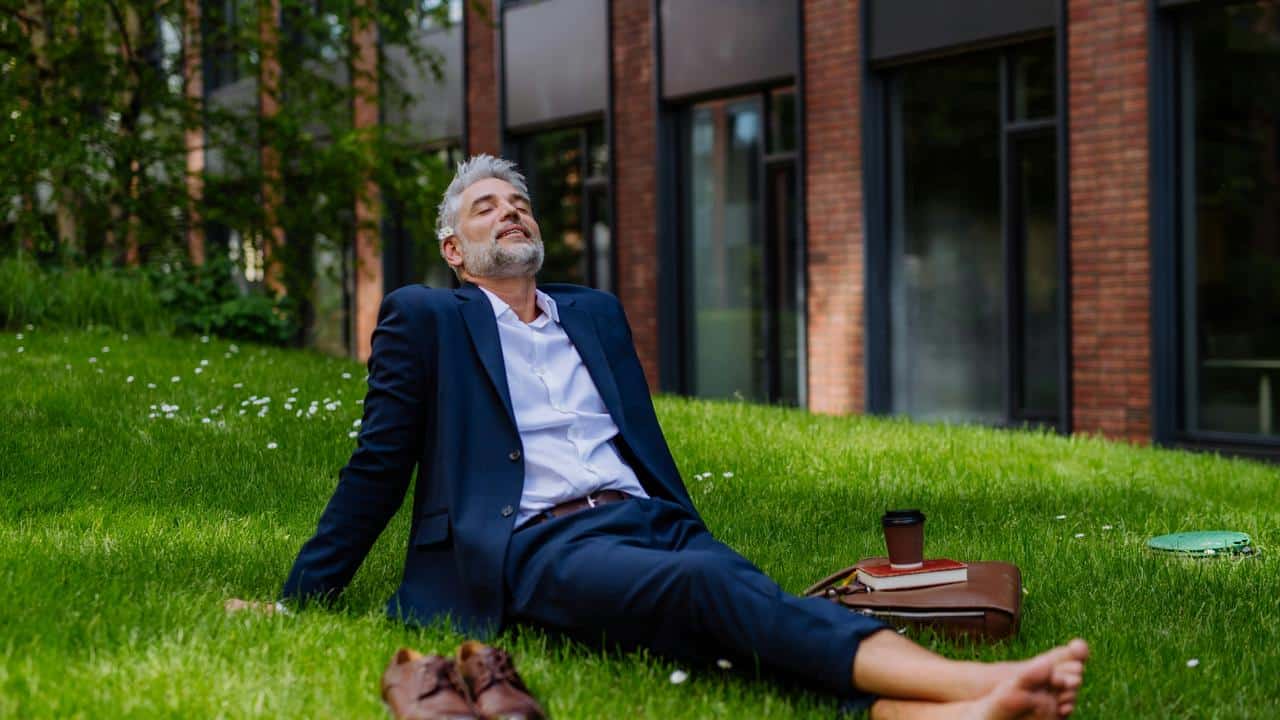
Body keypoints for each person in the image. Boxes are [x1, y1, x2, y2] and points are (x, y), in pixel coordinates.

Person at [282, 155, 1088, 719]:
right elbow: (377, 467)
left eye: (518, 201)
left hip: (652, 521)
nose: (510, 211)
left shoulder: (592, 312)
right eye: (484, 207)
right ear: (456, 253)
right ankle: (964, 685)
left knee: (749, 608)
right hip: (537, 543)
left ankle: (932, 714)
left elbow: (640, 440)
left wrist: (682, 523)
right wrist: (297, 600)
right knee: (709, 597)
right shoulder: (427, 318)